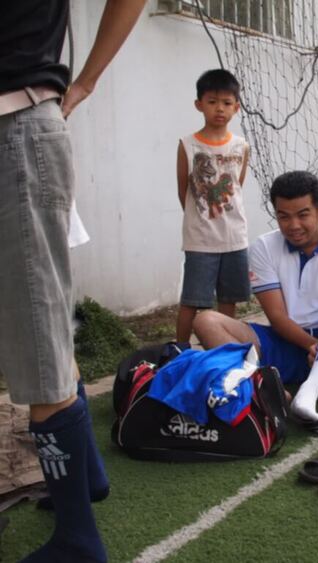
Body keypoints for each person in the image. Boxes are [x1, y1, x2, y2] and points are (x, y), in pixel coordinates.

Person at [0, 1, 146, 560]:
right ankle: (86, 479)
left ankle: (78, 541)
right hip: (16, 129)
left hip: (15, 123)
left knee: (38, 334)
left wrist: (83, 83)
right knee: (41, 322)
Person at [194, 171, 318, 436]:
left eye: (303, 214)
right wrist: (311, 346)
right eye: (284, 216)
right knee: (205, 320)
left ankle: (308, 394)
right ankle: (276, 394)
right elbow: (277, 317)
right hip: (287, 342)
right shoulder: (263, 247)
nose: (293, 225)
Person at [175, 69, 251, 343]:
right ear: (199, 104)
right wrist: (203, 220)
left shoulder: (242, 146)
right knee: (192, 300)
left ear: (236, 107)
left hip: (235, 238)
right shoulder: (188, 145)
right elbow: (183, 190)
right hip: (201, 241)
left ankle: (224, 350)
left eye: (227, 103)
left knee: (229, 299)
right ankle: (179, 353)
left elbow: (237, 186)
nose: (220, 108)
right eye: (212, 101)